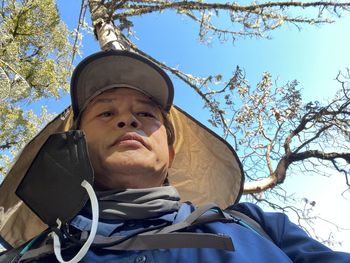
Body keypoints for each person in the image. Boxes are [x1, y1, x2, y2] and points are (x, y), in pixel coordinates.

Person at [0, 50, 349, 263]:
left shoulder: (257, 224)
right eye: (106, 114)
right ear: (75, 145)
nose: (128, 119)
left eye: (147, 114)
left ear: (171, 150)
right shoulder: (36, 254)